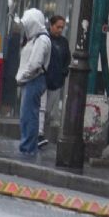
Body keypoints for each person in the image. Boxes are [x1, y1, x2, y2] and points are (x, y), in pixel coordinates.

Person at [15, 8, 51, 156]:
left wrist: (22, 77)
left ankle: (28, 148)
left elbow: (35, 63)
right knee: (27, 114)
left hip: (33, 80)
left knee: (29, 115)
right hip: (30, 80)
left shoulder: (41, 40)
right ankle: (27, 146)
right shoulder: (36, 38)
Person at [38, 15, 70, 148]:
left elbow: (67, 59)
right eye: (58, 27)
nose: (60, 30)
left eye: (62, 27)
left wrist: (63, 73)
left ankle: (41, 134)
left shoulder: (63, 42)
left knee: (49, 111)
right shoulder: (45, 39)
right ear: (51, 25)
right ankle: (39, 134)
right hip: (44, 79)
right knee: (42, 108)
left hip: (56, 81)